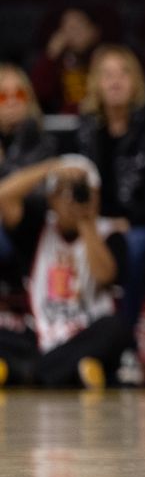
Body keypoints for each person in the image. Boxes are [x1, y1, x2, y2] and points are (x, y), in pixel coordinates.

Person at [0, 156, 130, 388]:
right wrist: (52, 167)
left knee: (115, 329)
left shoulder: (110, 233)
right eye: (63, 192)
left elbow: (105, 276)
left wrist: (86, 223)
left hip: (86, 332)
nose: (71, 199)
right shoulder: (37, 229)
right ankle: (66, 372)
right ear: (50, 198)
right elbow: (4, 195)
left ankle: (25, 372)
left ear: (97, 195)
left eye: (81, 191)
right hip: (40, 335)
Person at [74, 46, 145, 330]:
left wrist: (126, 222)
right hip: (96, 220)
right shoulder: (86, 128)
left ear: (136, 81)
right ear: (96, 83)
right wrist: (96, 222)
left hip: (141, 223)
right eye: (107, 75)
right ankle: (75, 329)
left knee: (134, 248)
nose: (115, 81)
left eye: (123, 73)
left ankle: (124, 333)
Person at [0, 65, 56, 290]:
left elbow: (38, 195)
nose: (12, 101)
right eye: (3, 95)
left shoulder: (43, 141)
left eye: (19, 94)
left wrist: (3, 167)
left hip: (27, 228)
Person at [30, 8, 102, 114]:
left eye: (78, 26)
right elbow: (37, 93)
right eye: (67, 27)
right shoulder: (54, 61)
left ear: (93, 31)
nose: (73, 32)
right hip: (63, 123)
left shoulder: (104, 59)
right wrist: (51, 54)